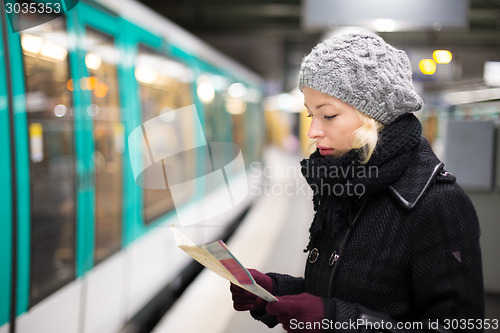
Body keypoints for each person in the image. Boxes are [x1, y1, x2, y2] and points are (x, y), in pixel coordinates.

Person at [229, 32, 484, 332]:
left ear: (374, 117)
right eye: (311, 114)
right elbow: (342, 291)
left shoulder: (437, 203)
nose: (312, 131)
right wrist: (276, 292)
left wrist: (337, 321)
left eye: (328, 115)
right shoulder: (345, 185)